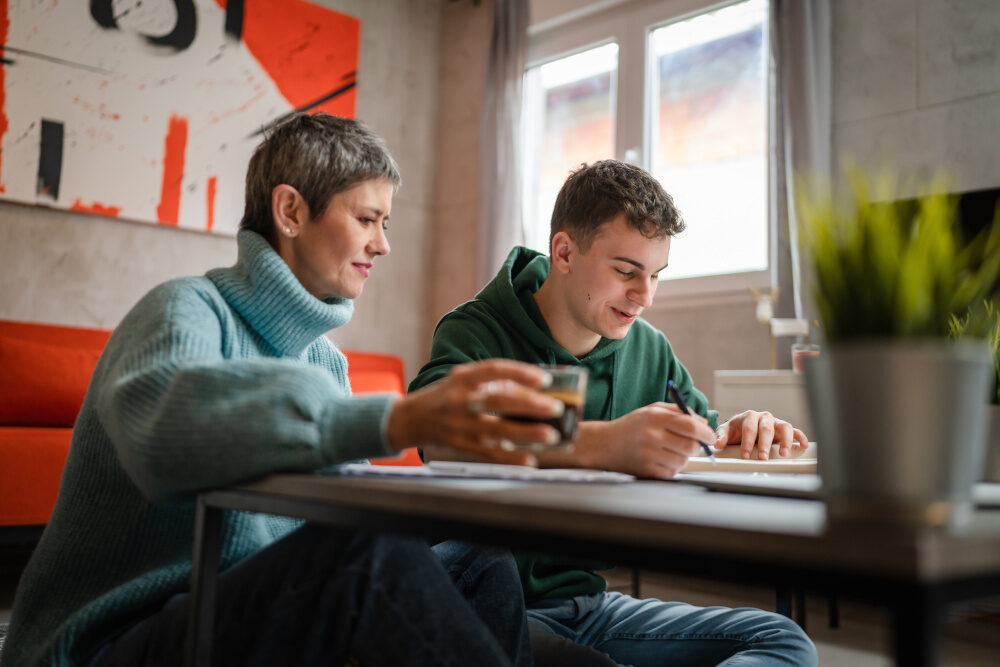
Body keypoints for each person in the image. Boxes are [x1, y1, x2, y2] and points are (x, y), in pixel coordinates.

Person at [1, 114, 570, 667]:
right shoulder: (182, 310)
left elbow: (345, 508)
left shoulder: (325, 360)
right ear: (291, 211)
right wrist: (400, 419)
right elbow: (166, 438)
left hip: (245, 613)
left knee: (481, 558)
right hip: (110, 640)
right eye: (368, 219)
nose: (382, 245)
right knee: (368, 555)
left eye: (385, 224)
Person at [409, 160, 818, 665]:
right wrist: (602, 444)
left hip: (592, 607)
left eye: (655, 276)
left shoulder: (649, 348)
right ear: (564, 252)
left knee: (782, 640)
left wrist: (736, 433)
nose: (644, 296)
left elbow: (700, 432)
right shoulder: (476, 329)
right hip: (489, 604)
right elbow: (436, 435)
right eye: (626, 272)